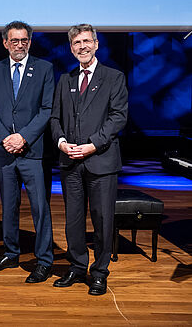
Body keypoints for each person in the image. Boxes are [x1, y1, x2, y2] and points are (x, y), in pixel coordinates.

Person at [50, 24, 128, 296]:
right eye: (76, 43)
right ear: (71, 49)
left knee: (102, 219)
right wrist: (61, 142)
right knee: (73, 220)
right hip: (70, 161)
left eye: (86, 41)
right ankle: (76, 266)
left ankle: (99, 272)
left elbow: (118, 117)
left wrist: (92, 145)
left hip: (101, 161)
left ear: (96, 44)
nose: (82, 47)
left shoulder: (113, 77)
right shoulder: (65, 79)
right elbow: (55, 118)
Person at [0, 21, 55, 283]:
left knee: (40, 208)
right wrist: (6, 138)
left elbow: (47, 109)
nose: (20, 45)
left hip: (33, 152)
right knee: (9, 207)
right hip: (4, 152)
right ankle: (11, 253)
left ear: (30, 42)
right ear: (5, 43)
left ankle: (44, 260)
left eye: (24, 40)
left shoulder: (45, 68)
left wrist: (23, 137)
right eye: (14, 40)